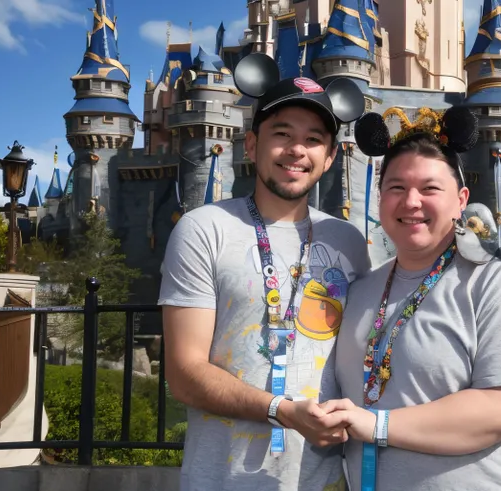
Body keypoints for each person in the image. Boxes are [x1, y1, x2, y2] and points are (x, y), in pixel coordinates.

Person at [158, 53, 370, 491]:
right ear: (251, 145)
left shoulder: (348, 241)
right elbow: (183, 372)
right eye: (282, 134)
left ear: (330, 157)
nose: (297, 150)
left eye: (314, 139)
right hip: (223, 479)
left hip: (326, 479)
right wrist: (281, 410)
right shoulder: (205, 229)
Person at [328, 107, 501, 490]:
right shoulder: (362, 290)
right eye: (396, 187)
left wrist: (377, 425)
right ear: (379, 199)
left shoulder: (500, 280)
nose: (411, 201)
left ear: (461, 199)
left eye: (429, 188)